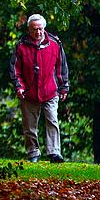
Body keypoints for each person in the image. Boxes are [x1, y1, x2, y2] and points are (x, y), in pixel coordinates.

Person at [10, 13, 70, 163]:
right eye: (34, 29)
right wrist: (19, 87)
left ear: (44, 28)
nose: (38, 32)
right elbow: (15, 70)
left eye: (40, 29)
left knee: (52, 121)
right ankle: (33, 153)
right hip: (29, 93)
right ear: (29, 30)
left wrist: (64, 87)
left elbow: (61, 68)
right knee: (30, 127)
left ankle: (54, 152)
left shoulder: (55, 44)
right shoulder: (21, 46)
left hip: (50, 91)